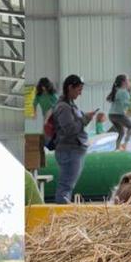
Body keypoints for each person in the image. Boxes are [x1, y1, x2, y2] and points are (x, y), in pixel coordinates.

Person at [48, 75, 90, 204]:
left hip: (73, 150)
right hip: (69, 150)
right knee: (66, 185)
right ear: (70, 87)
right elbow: (70, 129)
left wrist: (85, 118)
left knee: (68, 184)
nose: (80, 93)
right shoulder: (63, 107)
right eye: (79, 89)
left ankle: (63, 207)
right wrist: (84, 119)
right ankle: (61, 210)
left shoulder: (70, 105)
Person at [107, 74, 131, 150]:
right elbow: (125, 103)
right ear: (124, 82)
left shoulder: (118, 90)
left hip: (111, 115)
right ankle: (125, 144)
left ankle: (117, 147)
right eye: (128, 80)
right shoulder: (123, 92)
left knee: (121, 132)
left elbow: (129, 93)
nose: (129, 81)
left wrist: (130, 87)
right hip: (118, 115)